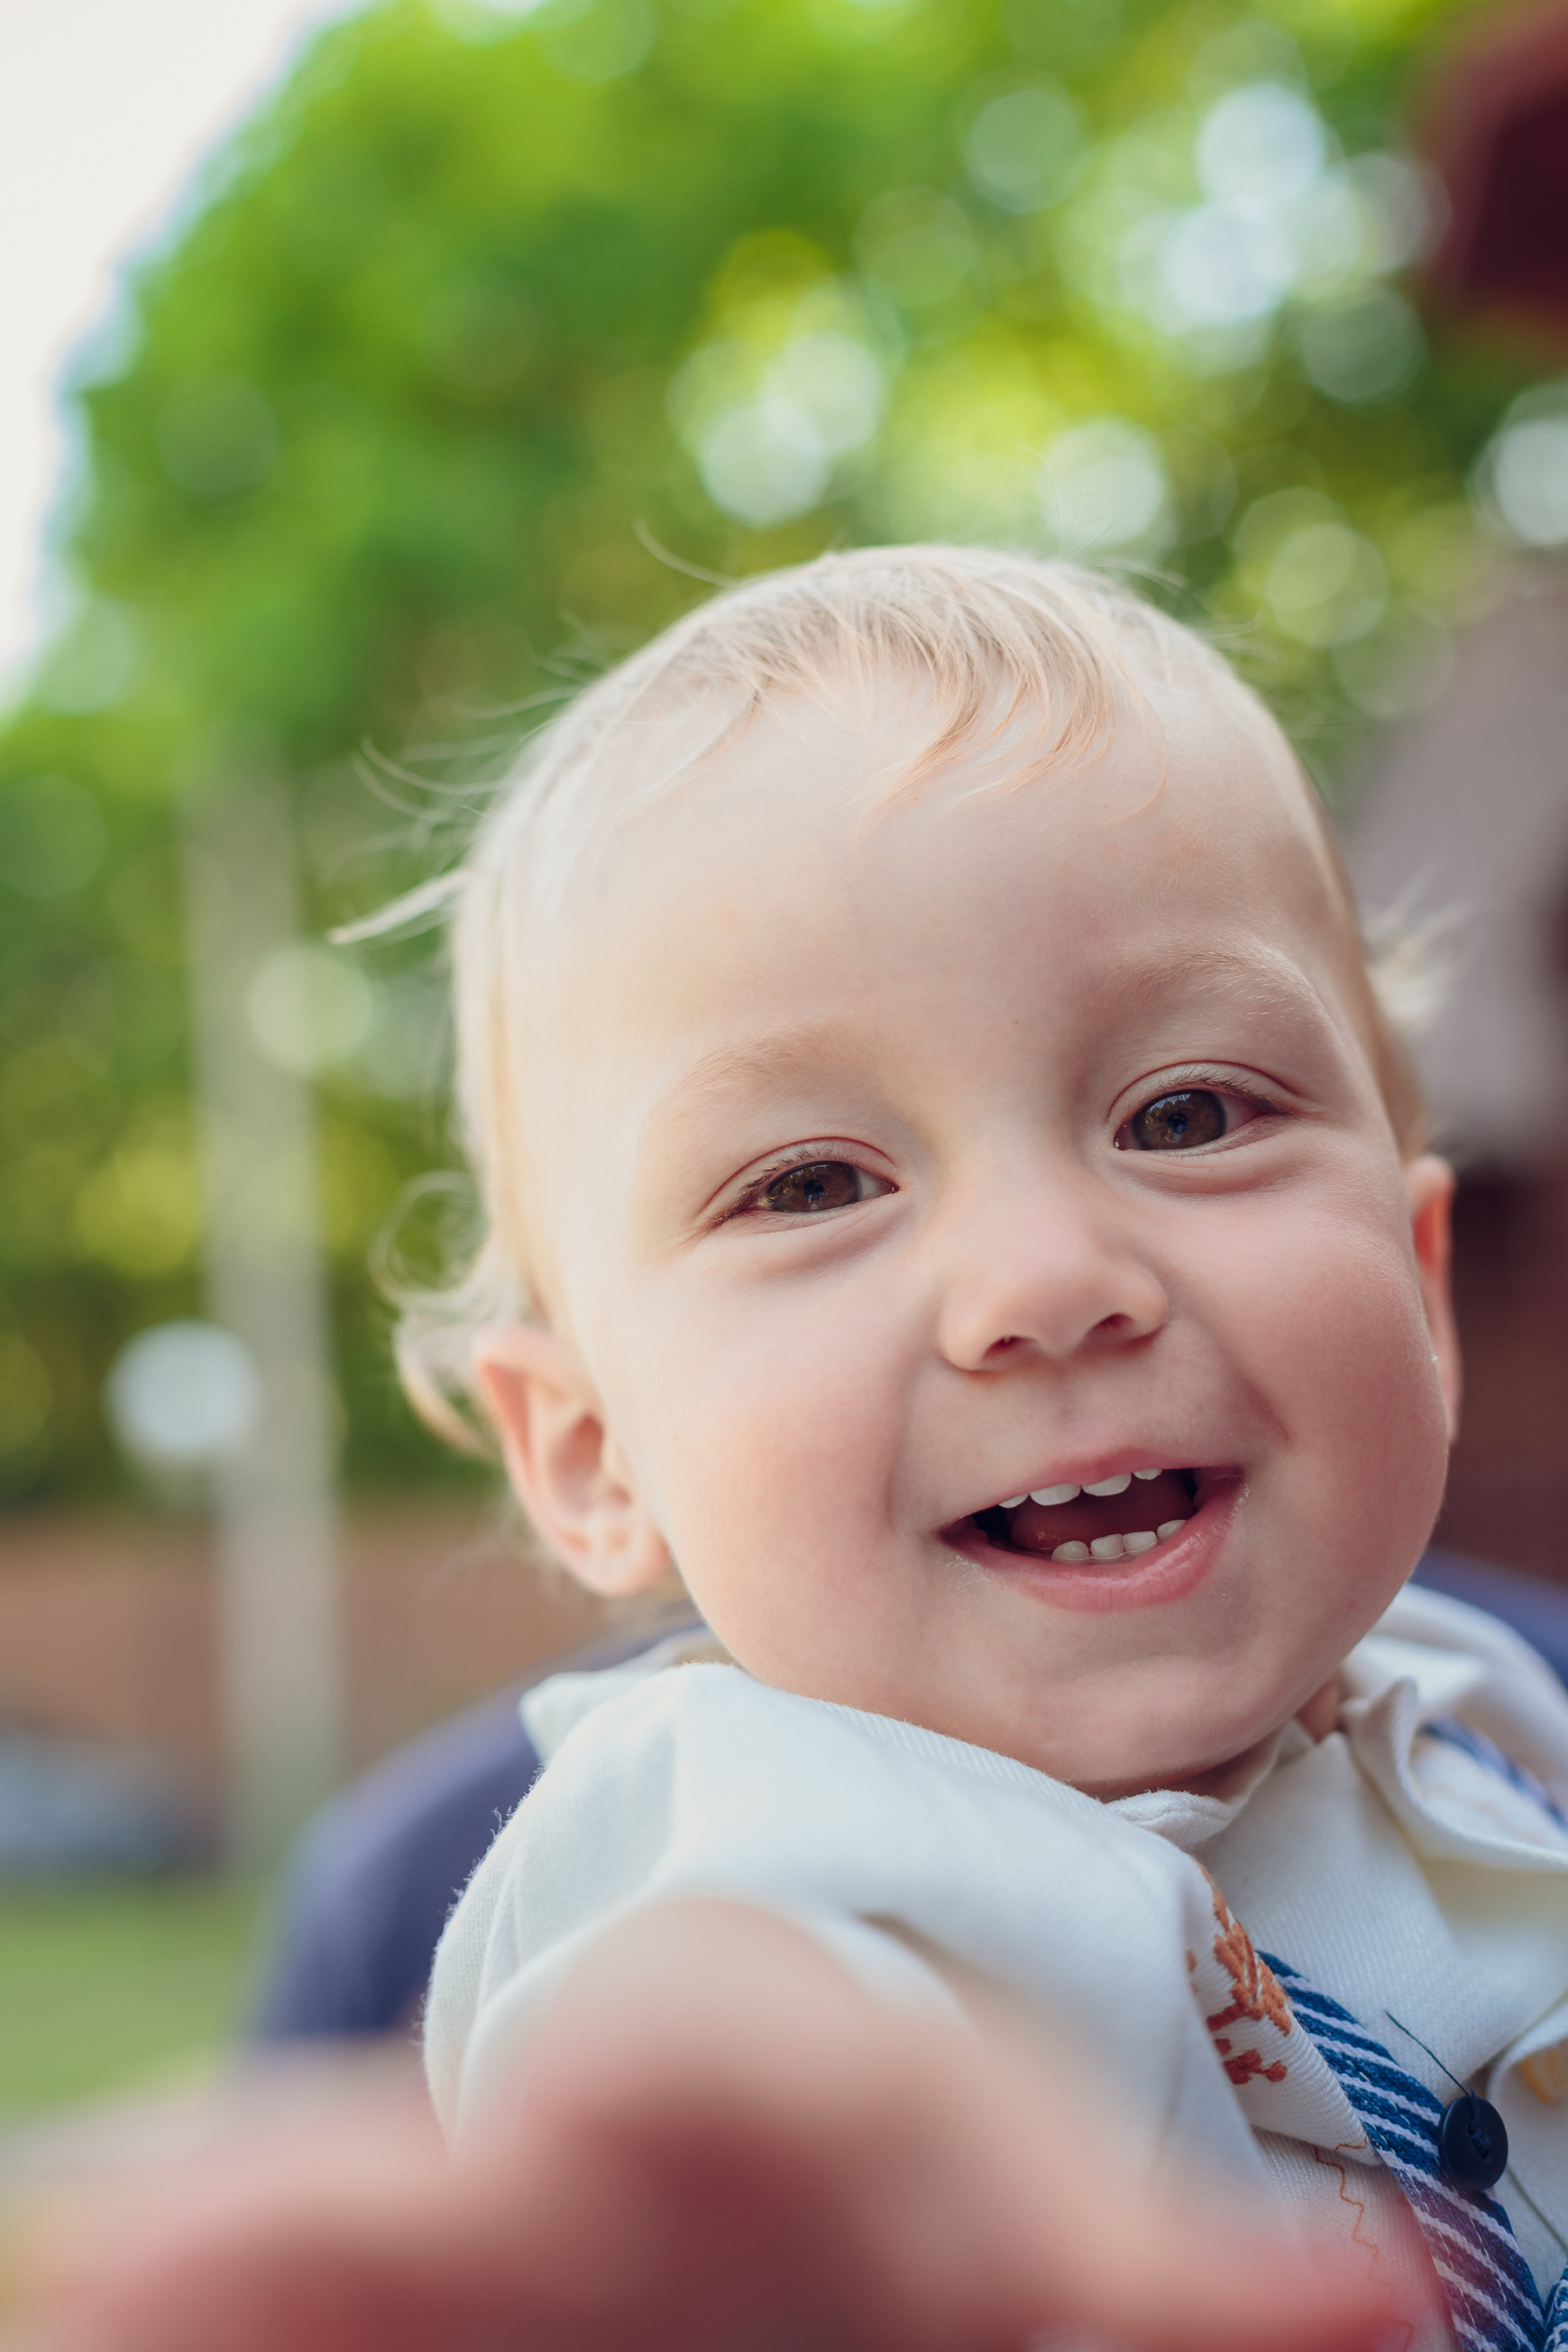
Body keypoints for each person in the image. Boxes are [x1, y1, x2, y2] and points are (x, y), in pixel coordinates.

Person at [15, 548, 1568, 2352]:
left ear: (1425, 1289)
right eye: (814, 1185)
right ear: (593, 1455)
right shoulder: (749, 1832)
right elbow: (732, 2021)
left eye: (1189, 1111)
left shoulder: (1494, 1705)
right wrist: (755, 2211)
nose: (1049, 1281)